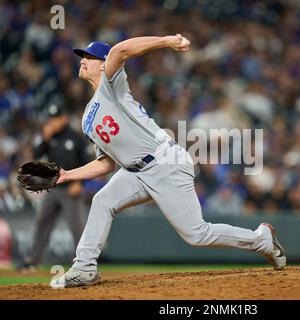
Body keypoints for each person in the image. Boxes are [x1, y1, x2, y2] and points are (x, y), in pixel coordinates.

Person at [50, 35, 286, 288]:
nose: (83, 61)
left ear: (104, 63)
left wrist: (167, 41)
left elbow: (121, 50)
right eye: (82, 57)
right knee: (102, 201)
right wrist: (66, 175)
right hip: (134, 171)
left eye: (90, 57)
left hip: (164, 161)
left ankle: (262, 239)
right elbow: (106, 164)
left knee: (197, 234)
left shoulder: (112, 85)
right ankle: (84, 268)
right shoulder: (87, 117)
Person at [18, 103, 90, 272]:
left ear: (64, 118)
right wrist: (45, 138)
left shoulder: (75, 137)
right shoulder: (48, 137)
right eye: (51, 119)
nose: (53, 122)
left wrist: (80, 183)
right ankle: (33, 261)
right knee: (42, 222)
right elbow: (35, 156)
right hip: (52, 188)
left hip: (71, 189)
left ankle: (85, 263)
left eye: (56, 118)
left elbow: (87, 161)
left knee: (77, 227)